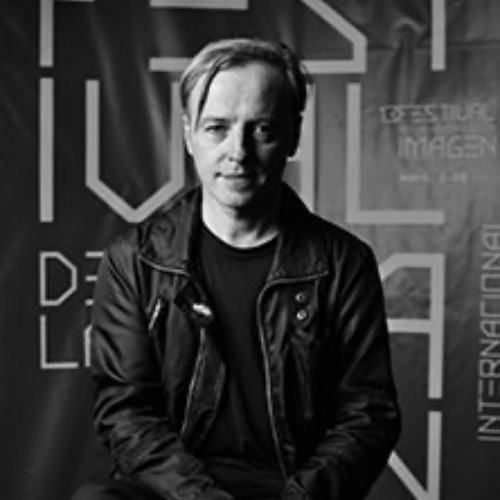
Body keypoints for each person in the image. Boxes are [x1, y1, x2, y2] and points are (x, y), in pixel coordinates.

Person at [72, 38, 401, 500]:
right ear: (188, 134)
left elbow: (368, 416)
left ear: (293, 135)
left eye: (262, 128)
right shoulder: (134, 261)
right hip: (176, 492)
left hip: (296, 490)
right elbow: (127, 413)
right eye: (216, 128)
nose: (238, 152)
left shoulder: (343, 264)